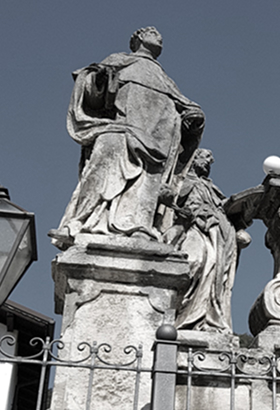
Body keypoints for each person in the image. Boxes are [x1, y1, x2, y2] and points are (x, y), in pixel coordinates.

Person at [51, 27, 204, 248]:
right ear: (138, 38)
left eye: (159, 34)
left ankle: (140, 227)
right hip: (120, 128)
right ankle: (79, 222)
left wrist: (194, 118)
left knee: (148, 183)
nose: (158, 36)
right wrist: (99, 80)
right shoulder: (119, 61)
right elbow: (91, 91)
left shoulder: (164, 78)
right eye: (151, 32)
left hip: (156, 143)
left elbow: (184, 106)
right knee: (100, 168)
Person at [163, 149, 250, 332]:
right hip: (195, 227)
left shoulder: (211, 187)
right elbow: (174, 200)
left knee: (216, 269)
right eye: (206, 157)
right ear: (195, 159)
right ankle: (180, 315)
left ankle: (206, 317)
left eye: (211, 159)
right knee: (196, 262)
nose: (210, 161)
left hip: (219, 231)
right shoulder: (183, 180)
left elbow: (223, 207)